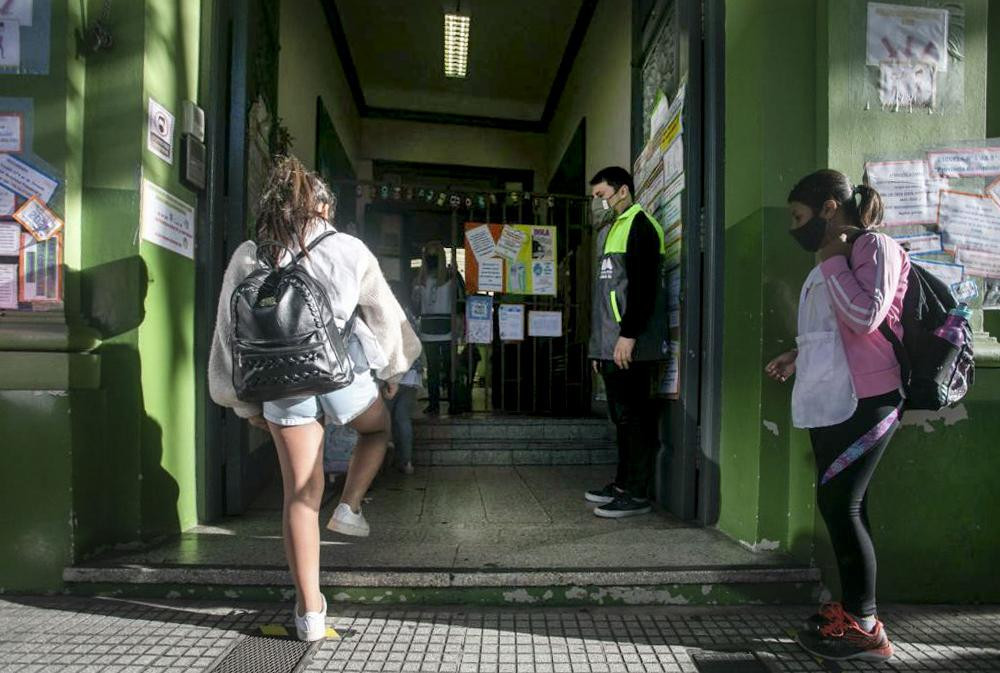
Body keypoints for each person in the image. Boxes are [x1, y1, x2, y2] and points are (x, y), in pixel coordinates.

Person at [208, 156, 420, 641]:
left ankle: (310, 615)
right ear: (321, 204)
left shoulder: (248, 253)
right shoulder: (347, 247)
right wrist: (393, 370)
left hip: (281, 386)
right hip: (340, 373)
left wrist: (244, 405)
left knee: (300, 498)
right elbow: (385, 315)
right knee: (378, 430)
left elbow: (228, 333)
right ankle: (350, 507)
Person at [766, 169, 907, 662]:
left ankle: (866, 628)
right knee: (846, 506)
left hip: (868, 401)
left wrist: (830, 259)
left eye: (799, 215)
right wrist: (797, 353)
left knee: (839, 506)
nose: (794, 226)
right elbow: (835, 331)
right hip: (832, 400)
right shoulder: (834, 259)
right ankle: (853, 613)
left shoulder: (875, 248)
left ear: (830, 207)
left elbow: (866, 316)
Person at [586, 166, 668, 519]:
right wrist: (598, 347)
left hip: (631, 344)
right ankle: (622, 484)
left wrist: (628, 336)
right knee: (621, 418)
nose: (598, 203)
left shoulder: (642, 226)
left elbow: (644, 289)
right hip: (612, 345)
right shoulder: (614, 229)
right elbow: (608, 296)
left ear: (622, 191)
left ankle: (637, 493)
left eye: (601, 196)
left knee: (635, 419)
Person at [413, 241, 464, 415]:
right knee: (445, 368)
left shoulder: (421, 278)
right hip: (442, 328)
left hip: (431, 328)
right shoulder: (451, 276)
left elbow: (415, 306)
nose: (431, 258)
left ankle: (439, 404)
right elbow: (460, 303)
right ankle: (448, 403)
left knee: (437, 369)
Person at [387, 281, 423, 474]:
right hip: (412, 373)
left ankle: (387, 461)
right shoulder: (409, 313)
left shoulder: (388, 313)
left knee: (386, 418)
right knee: (402, 418)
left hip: (392, 372)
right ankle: (407, 462)